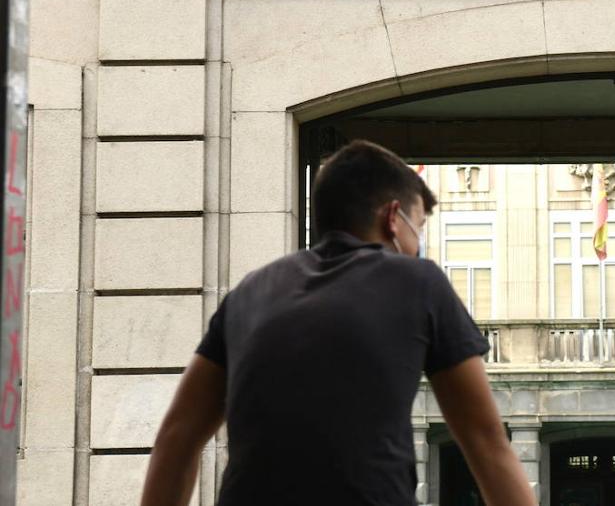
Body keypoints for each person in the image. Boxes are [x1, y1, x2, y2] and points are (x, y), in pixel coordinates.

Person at [140, 140, 535, 506]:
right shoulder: (418, 281)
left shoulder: (249, 292)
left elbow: (177, 437)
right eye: (419, 228)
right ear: (393, 218)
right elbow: (485, 442)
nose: (417, 246)